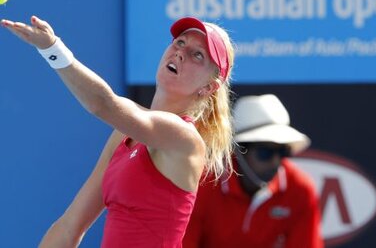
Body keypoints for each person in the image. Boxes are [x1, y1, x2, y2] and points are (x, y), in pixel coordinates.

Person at [1, 15, 235, 247]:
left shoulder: (184, 138)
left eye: (197, 55)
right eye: (180, 42)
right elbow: (69, 226)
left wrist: (53, 49)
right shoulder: (123, 135)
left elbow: (103, 104)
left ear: (209, 87)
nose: (180, 52)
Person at [183, 94, 324, 248]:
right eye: (265, 152)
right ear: (237, 151)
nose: (276, 162)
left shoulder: (300, 189)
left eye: (283, 152)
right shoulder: (202, 184)